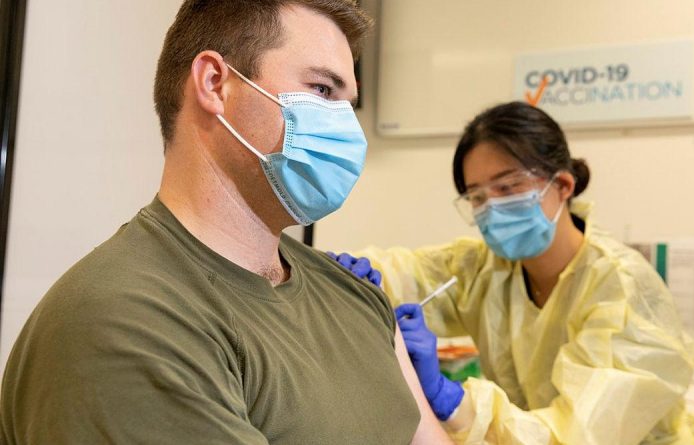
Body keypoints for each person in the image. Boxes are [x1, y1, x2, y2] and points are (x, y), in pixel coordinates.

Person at [0, 1, 452, 444]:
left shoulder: (355, 297)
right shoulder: (123, 322)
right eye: (321, 91)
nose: (346, 128)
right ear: (216, 83)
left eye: (346, 105)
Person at [332, 102, 694, 444]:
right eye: (478, 197)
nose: (492, 209)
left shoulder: (623, 290)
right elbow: (406, 272)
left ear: (563, 185)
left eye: (510, 187)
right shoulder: (488, 268)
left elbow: (574, 436)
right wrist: (333, 273)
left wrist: (450, 399)